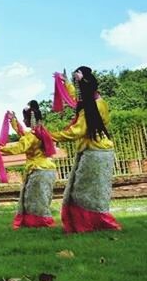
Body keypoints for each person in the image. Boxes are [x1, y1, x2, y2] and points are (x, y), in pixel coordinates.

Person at [50, 67, 121, 233]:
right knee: (81, 190)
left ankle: (90, 225)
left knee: (84, 192)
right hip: (92, 151)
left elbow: (77, 131)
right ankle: (84, 225)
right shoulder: (93, 101)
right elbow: (75, 96)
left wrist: (50, 136)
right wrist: (65, 82)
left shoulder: (94, 106)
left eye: (80, 85)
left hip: (96, 152)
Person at [0, 101, 58, 229]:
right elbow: (22, 132)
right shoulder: (41, 131)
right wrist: (13, 120)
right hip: (48, 168)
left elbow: (20, 147)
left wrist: (1, 148)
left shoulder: (32, 136)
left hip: (38, 170)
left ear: (29, 119)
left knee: (33, 198)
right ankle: (38, 222)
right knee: (40, 197)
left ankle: (40, 222)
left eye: (24, 118)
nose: (23, 121)